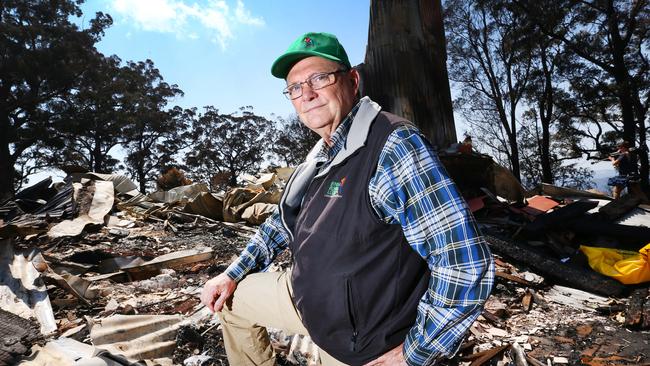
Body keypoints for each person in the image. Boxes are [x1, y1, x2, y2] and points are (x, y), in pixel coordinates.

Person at [201, 32, 495, 366]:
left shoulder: (393, 146)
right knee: (230, 302)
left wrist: (414, 354)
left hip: (361, 340)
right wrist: (231, 274)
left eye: (319, 78)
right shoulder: (318, 156)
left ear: (353, 80)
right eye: (295, 87)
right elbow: (280, 224)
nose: (307, 94)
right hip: (307, 302)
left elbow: (463, 262)